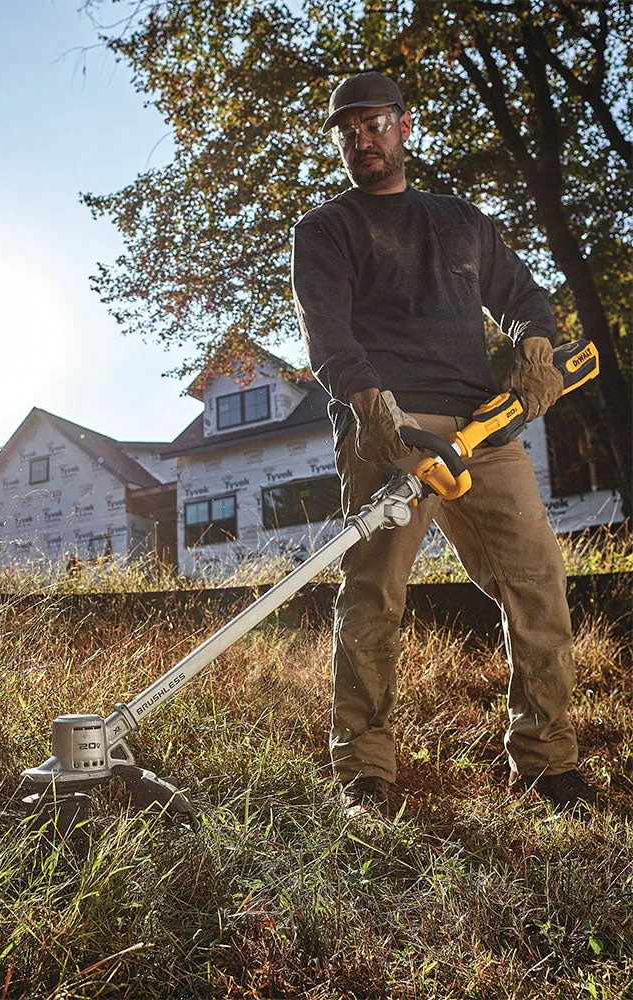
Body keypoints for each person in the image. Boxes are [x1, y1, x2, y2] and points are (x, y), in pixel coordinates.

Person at [290, 71, 598, 817]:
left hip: (483, 431)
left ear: (405, 127)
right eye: (348, 132)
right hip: (387, 429)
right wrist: (375, 408)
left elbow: (524, 299)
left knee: (538, 580)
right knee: (374, 593)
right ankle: (366, 772)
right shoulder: (325, 230)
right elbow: (329, 336)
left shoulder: (461, 220)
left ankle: (546, 761)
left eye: (375, 125)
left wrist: (535, 347)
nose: (363, 140)